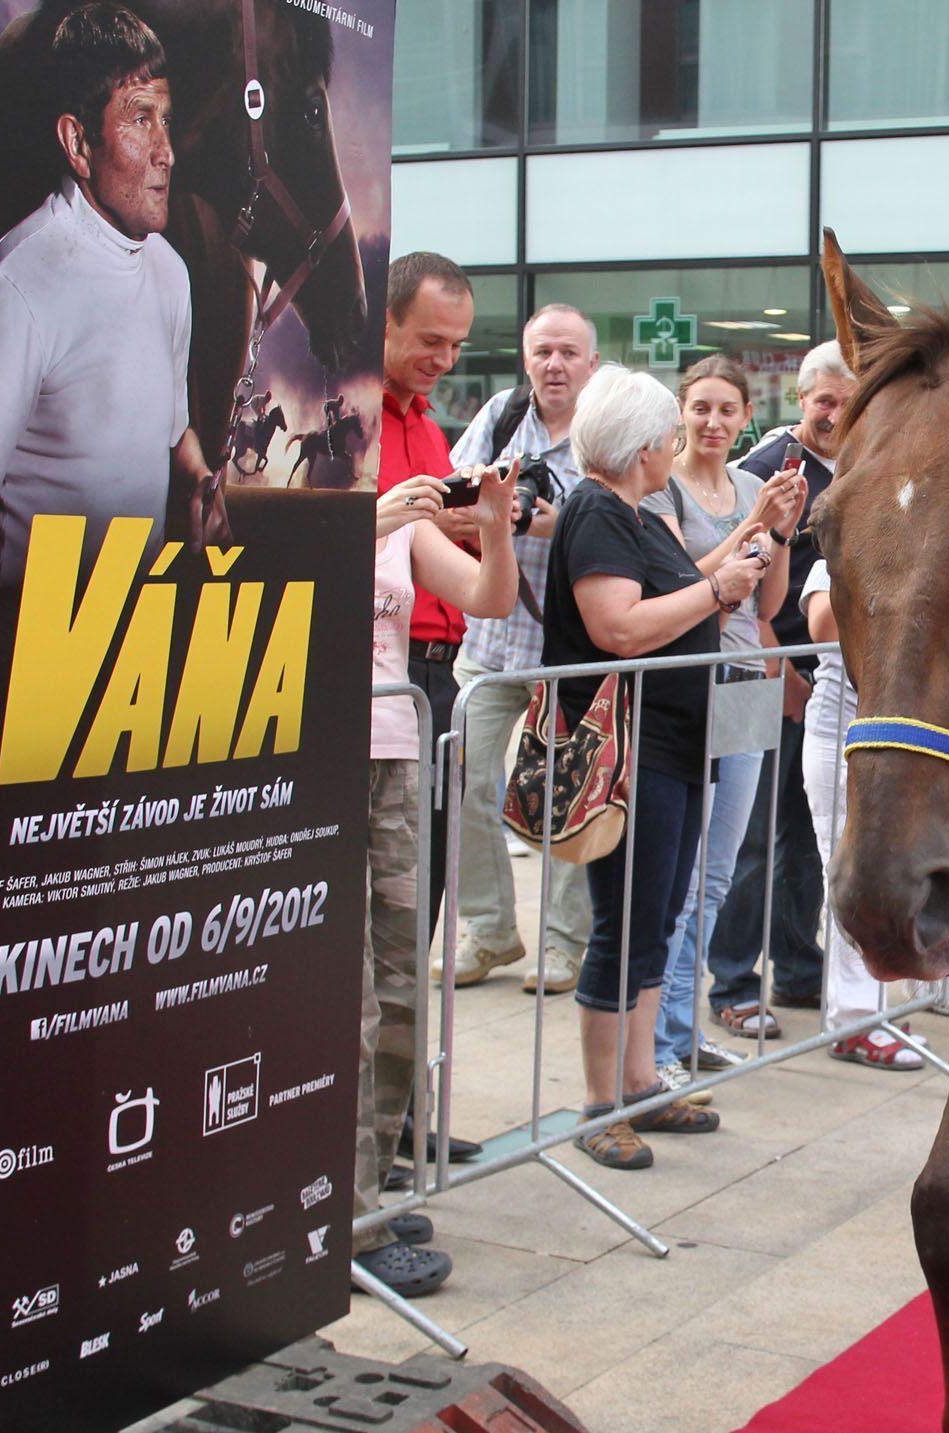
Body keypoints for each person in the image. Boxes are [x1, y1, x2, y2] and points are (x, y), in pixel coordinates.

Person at [0, 2, 227, 674]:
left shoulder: (170, 272)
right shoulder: (20, 288)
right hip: (21, 670)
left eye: (165, 118)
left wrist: (199, 476)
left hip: (132, 667)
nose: (168, 150)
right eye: (141, 118)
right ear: (78, 144)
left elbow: (172, 430)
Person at [544, 364, 767, 1170]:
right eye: (671, 433)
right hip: (629, 753)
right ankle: (601, 1101)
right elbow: (620, 629)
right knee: (627, 921)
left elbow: (686, 592)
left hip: (670, 745)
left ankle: (639, 1078)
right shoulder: (600, 510)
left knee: (658, 913)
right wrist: (717, 594)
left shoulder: (633, 511)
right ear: (644, 445)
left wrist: (734, 566)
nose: (677, 445)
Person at [355, 458, 520, 1295]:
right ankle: (343, 1210)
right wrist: (369, 522)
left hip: (397, 755)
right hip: (313, 760)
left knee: (401, 985)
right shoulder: (321, 510)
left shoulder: (403, 523)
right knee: (350, 1003)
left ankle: (368, 1189)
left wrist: (493, 522)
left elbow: (489, 598)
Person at [639, 356, 807, 1097]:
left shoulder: (750, 484)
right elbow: (686, 582)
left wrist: (786, 533)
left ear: (746, 415)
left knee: (717, 872)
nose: (712, 422)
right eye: (700, 407)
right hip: (684, 685)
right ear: (681, 412)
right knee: (674, 877)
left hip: (742, 678)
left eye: (726, 410)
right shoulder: (660, 487)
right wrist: (752, 522)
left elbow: (767, 607)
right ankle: (656, 1039)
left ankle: (683, 1028)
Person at [442, 304, 600, 993]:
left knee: (567, 799)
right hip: (491, 641)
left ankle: (565, 944)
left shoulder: (606, 431)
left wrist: (547, 525)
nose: (555, 365)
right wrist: (484, 515)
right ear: (526, 359)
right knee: (463, 782)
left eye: (569, 352)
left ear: (592, 363)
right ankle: (491, 929)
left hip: (569, 646)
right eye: (543, 352)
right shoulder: (501, 418)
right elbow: (449, 499)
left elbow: (632, 521)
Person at [706, 341, 857, 1039]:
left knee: (804, 833)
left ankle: (798, 966)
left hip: (815, 681)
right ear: (800, 400)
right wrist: (782, 672)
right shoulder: (767, 468)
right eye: (821, 399)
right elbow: (745, 591)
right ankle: (733, 981)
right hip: (760, 674)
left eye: (844, 401)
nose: (831, 413)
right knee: (749, 837)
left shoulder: (858, 466)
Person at [376, 252, 479, 946]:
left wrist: (471, 527)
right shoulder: (354, 421)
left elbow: (441, 554)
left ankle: (407, 1053)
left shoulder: (430, 427)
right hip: (386, 672)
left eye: (457, 345)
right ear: (383, 324)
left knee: (427, 880)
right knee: (389, 889)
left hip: (443, 672)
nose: (444, 359)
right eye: (430, 340)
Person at [800, 558, 924, 1069]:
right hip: (841, 739)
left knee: (897, 876)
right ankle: (853, 1020)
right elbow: (824, 626)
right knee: (848, 874)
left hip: (902, 745)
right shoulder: (835, 558)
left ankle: (881, 1010)